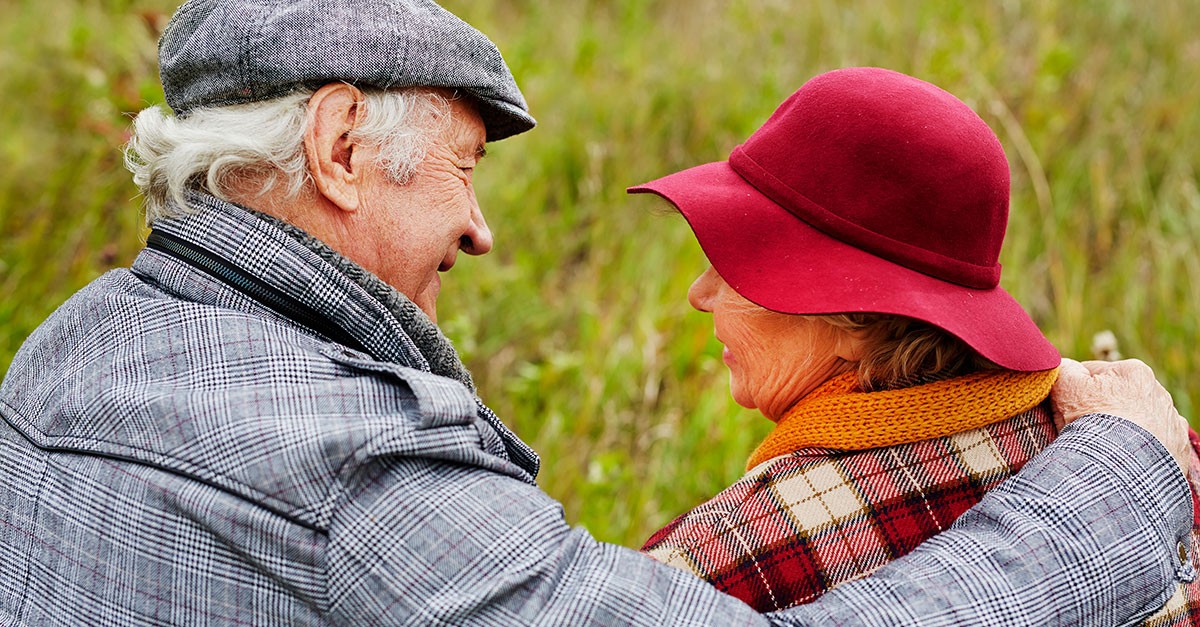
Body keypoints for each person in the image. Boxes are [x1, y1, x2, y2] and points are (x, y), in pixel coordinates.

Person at [0, 1, 1190, 624]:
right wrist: (1121, 479)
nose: (483, 231)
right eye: (464, 168)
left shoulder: (65, 349)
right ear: (341, 143)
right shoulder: (353, 475)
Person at [630, 67, 1200, 623]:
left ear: (854, 320)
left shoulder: (720, 561)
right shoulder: (1157, 449)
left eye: (738, 267)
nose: (698, 293)